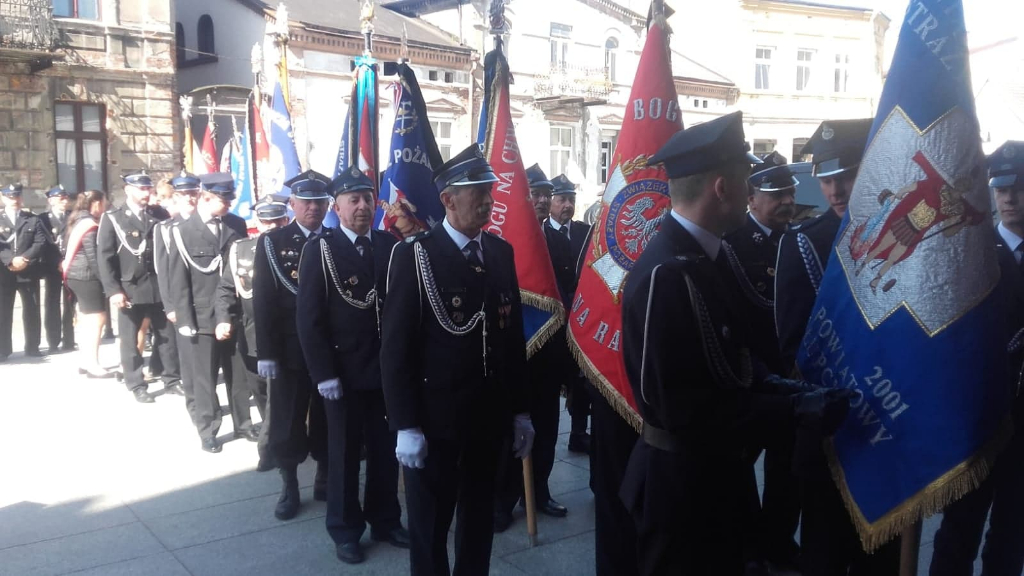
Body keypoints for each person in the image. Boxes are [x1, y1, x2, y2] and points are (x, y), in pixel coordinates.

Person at [619, 111, 853, 575]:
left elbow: (734, 359)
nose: (751, 190)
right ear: (721, 188)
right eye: (745, 179)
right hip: (681, 492)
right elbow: (683, 408)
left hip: (720, 477)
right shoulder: (666, 274)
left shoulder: (712, 253)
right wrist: (790, 410)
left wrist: (782, 387)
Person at [381, 144, 535, 576]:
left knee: (479, 520)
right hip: (435, 422)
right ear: (448, 199)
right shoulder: (415, 255)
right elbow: (395, 348)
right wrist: (405, 424)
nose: (488, 200)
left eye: (489, 190)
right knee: (430, 527)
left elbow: (510, 339)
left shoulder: (499, 252)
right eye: (477, 192)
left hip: (487, 418)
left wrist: (521, 411)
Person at [774, 119, 900, 575]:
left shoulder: (901, 236)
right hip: (830, 428)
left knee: (881, 556)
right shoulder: (804, 243)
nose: (835, 190)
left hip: (890, 419)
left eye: (845, 176)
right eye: (826, 180)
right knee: (824, 552)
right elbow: (791, 344)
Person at [296, 166, 409, 564]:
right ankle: (345, 529)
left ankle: (385, 519)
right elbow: (309, 319)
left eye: (367, 198)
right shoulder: (321, 249)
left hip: (384, 372)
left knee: (384, 451)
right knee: (343, 456)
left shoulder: (390, 245)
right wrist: (323, 373)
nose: (362, 206)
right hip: (342, 374)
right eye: (353, 199)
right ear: (337, 207)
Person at [929, 140, 1024, 576]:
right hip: (977, 421)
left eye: (1018, 188)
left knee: (1011, 534)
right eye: (1001, 189)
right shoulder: (972, 252)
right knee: (958, 532)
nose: (1009, 198)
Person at [723, 151, 800, 574]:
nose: (787, 201)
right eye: (776, 195)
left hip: (792, 375)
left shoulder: (799, 239)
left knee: (787, 469)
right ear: (751, 199)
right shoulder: (732, 241)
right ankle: (747, 545)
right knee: (738, 467)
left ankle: (777, 541)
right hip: (750, 375)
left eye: (789, 193)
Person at [493, 164, 568, 532]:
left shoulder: (558, 240)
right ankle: (503, 499)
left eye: (545, 195)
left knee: (547, 427)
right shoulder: (504, 242)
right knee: (510, 431)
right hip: (513, 352)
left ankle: (538, 491)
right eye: (534, 194)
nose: (540, 200)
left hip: (549, 352)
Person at [254, 170, 330, 520]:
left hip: (329, 347)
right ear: (293, 204)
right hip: (289, 348)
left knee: (328, 417)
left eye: (319, 201)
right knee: (287, 418)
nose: (313, 208)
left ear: (328, 205)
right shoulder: (273, 242)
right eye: (306, 202)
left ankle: (325, 475)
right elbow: (264, 300)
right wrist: (267, 352)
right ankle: (289, 484)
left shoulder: (334, 239)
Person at [167, 173, 254, 454]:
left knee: (238, 374)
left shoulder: (236, 225)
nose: (229, 204)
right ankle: (208, 429)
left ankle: (243, 423)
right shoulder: (182, 230)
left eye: (230, 198)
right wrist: (184, 319)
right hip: (202, 316)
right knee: (204, 377)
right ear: (206, 197)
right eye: (223, 199)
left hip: (233, 312)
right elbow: (178, 279)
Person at [216, 199, 289, 470]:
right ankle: (280, 438)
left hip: (285, 336)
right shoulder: (240, 250)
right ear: (257, 222)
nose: (271, 227)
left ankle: (269, 449)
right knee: (260, 393)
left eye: (277, 221)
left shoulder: (299, 248)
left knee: (278, 397)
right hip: (252, 335)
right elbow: (225, 289)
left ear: (286, 221)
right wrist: (223, 319)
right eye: (266, 221)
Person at [97, 172, 181, 403]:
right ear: (128, 190)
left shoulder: (159, 214)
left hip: (158, 285)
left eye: (148, 189)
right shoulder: (113, 218)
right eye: (141, 189)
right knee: (130, 339)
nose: (147, 193)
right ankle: (136, 383)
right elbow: (105, 257)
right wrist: (113, 290)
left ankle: (171, 379)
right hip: (130, 287)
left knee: (167, 336)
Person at [548, 173, 593, 454]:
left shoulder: (585, 232)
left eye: (571, 199)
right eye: (562, 199)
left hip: (583, 315)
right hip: (555, 320)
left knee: (581, 377)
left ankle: (578, 432)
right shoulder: (541, 234)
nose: (568, 205)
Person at [155, 173, 200, 420]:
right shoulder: (165, 229)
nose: (189, 198)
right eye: (183, 194)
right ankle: (195, 407)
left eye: (193, 193)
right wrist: (170, 305)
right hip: (182, 301)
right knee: (189, 358)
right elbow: (162, 270)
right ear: (176, 197)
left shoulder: (210, 223)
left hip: (208, 300)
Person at [63, 190, 114, 378]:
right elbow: (94, 257)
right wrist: (107, 282)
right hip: (87, 276)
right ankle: (93, 364)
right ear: (96, 203)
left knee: (85, 320)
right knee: (96, 320)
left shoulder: (77, 219)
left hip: (76, 275)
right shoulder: (89, 225)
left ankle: (85, 361)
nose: (105, 206)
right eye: (104, 202)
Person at [0, 183, 48, 361]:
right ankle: (3, 349)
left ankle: (33, 346)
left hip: (28, 270)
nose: (15, 200)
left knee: (32, 309)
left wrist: (24, 259)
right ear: (3, 198)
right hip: (4, 272)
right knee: (3, 311)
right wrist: (10, 260)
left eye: (17, 196)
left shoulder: (32, 219)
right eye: (10, 197)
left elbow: (40, 242)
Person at [38, 185, 76, 353]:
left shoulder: (73, 217)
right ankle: (53, 341)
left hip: (70, 264)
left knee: (70, 302)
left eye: (66, 198)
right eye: (61, 198)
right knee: (52, 303)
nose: (64, 201)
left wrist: (67, 260)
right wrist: (57, 261)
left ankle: (69, 339)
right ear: (51, 200)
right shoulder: (42, 219)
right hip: (52, 266)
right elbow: (44, 243)